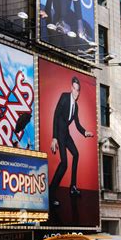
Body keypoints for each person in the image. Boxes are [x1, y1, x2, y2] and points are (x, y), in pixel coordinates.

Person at [49, 76, 94, 207]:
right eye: (74, 89)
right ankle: (51, 194)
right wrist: (54, 137)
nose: (76, 92)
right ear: (71, 88)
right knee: (64, 164)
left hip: (66, 134)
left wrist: (85, 132)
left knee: (76, 154)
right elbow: (56, 116)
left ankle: (73, 186)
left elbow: (77, 124)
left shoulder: (76, 106)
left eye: (78, 90)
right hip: (59, 134)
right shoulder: (64, 97)